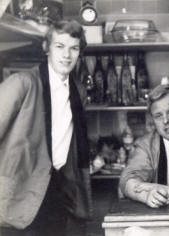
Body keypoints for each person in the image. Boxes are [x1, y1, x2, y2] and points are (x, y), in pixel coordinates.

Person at [0, 20, 92, 236]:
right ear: (47, 48)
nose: (66, 55)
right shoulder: (22, 83)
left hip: (57, 192)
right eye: (59, 46)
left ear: (80, 53)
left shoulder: (78, 91)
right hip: (17, 196)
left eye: (74, 48)